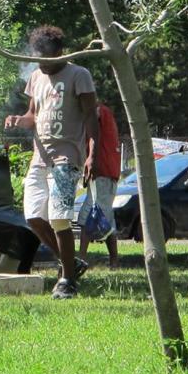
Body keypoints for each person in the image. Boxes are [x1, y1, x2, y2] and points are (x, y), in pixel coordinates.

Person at [5, 25, 98, 299]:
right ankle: (71, 262)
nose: (41, 63)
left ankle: (67, 280)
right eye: (37, 57)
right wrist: (19, 121)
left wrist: (92, 154)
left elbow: (92, 118)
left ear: (60, 52)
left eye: (46, 57)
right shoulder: (35, 77)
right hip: (39, 158)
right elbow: (33, 114)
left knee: (59, 218)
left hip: (66, 158)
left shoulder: (79, 76)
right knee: (33, 216)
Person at [77, 103, 121, 268]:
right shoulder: (104, 114)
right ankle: (114, 261)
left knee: (89, 214)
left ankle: (80, 260)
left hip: (103, 172)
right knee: (104, 217)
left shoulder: (100, 111)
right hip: (104, 172)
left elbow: (91, 114)